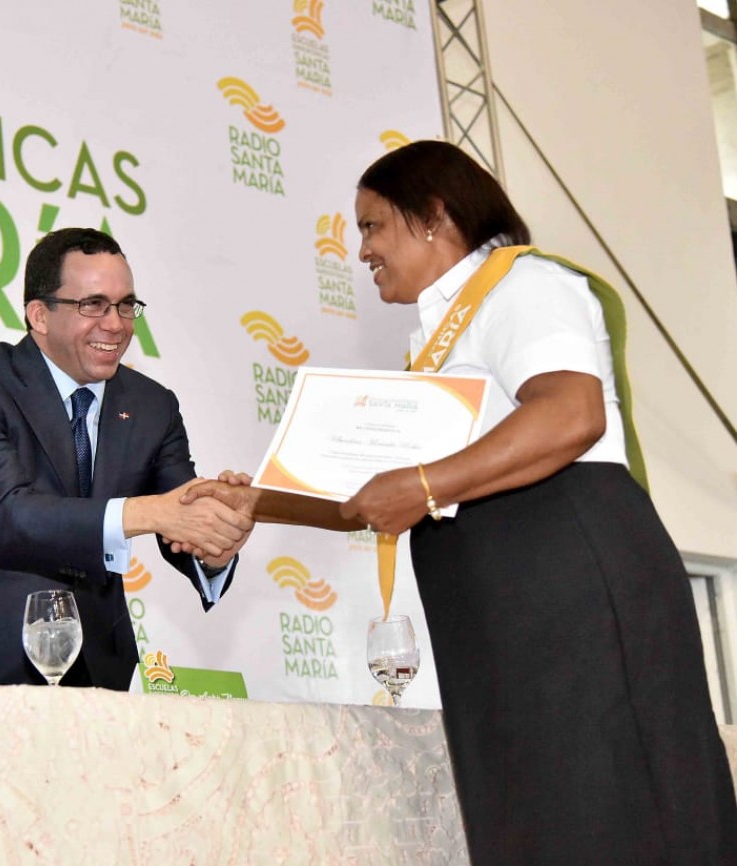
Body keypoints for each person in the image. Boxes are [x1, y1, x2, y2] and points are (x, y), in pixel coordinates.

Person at [183, 141, 737, 864]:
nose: (362, 251)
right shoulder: (436, 346)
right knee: (534, 820)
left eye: (373, 225)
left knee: (607, 809)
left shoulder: (524, 287)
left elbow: (573, 413)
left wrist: (421, 484)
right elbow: (374, 498)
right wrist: (258, 501)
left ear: (434, 215)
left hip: (571, 588)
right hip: (502, 618)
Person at [0, 227, 252, 690]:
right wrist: (148, 512)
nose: (115, 324)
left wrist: (217, 538)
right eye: (93, 305)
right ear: (39, 315)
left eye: (125, 305)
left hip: (96, 677)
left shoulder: (153, 405)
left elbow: (180, 513)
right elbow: (7, 517)